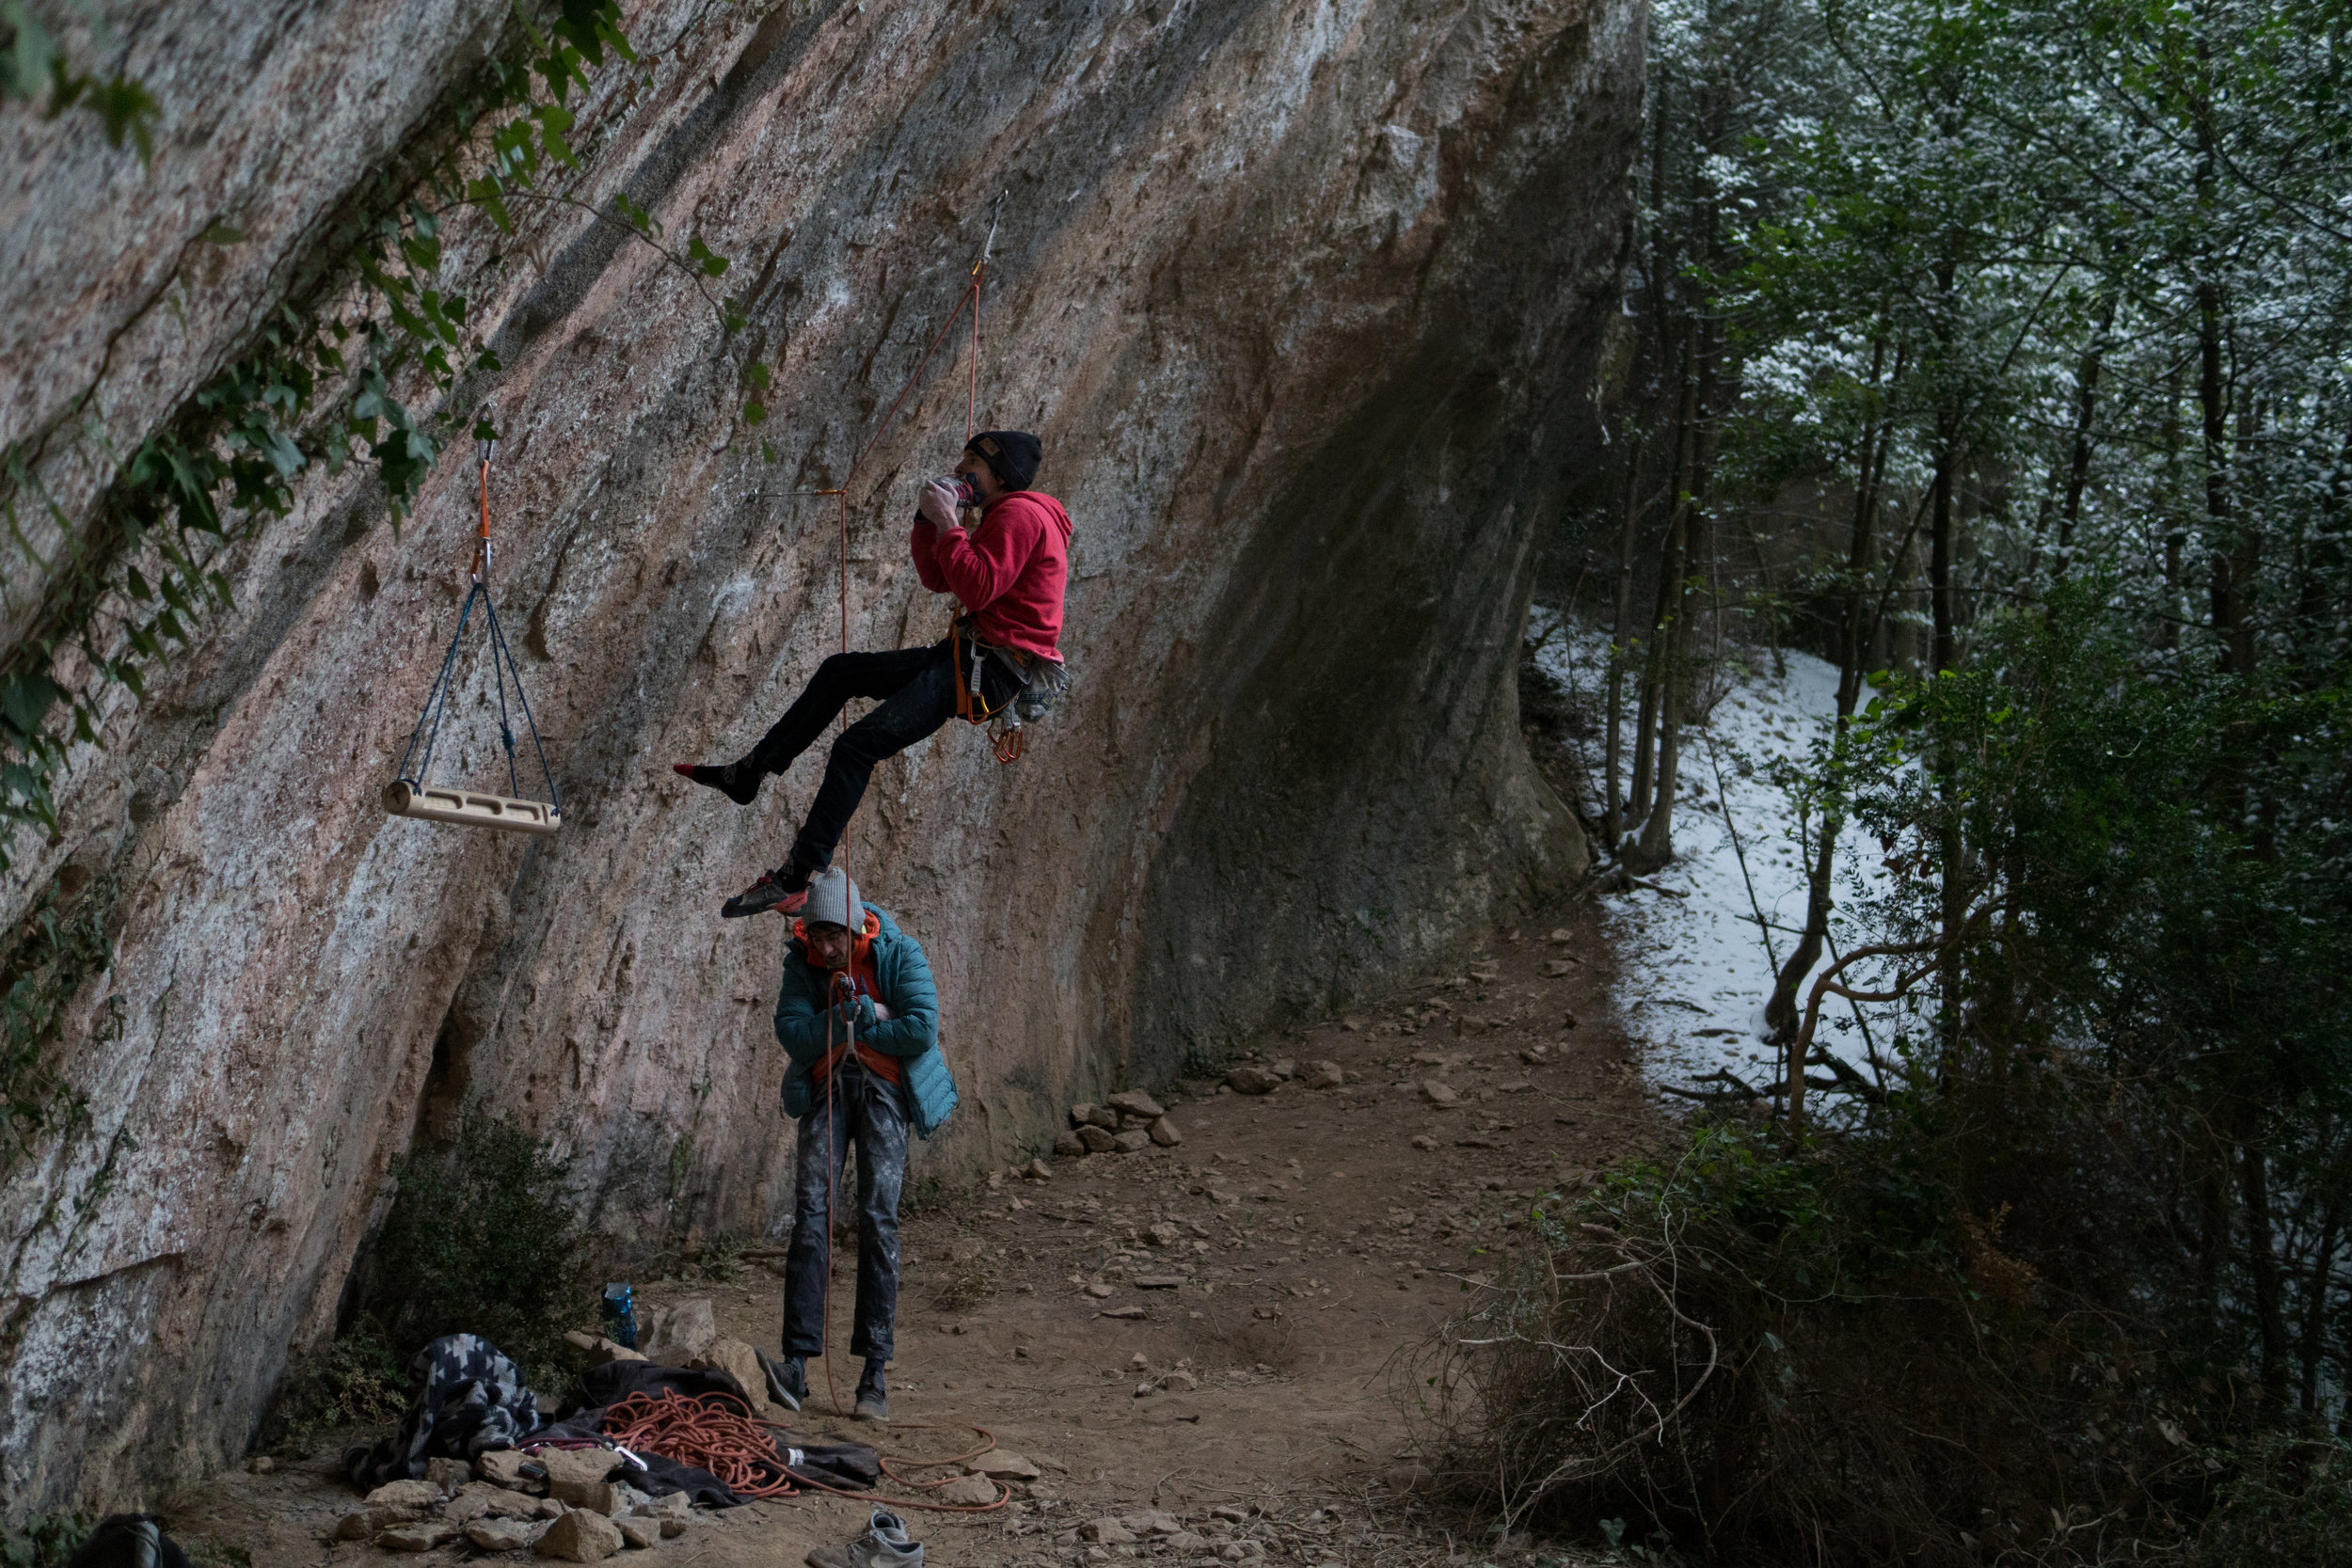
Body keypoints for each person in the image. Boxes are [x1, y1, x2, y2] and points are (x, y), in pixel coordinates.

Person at [675, 430, 1072, 919]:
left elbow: (977, 589)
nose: (961, 465)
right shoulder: (1005, 514)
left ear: (1001, 474)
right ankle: (750, 772)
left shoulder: (1020, 515)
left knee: (857, 746)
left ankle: (796, 878)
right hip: (968, 656)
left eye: (973, 461)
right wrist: (928, 522)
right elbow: (938, 578)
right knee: (843, 672)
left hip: (988, 670)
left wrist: (949, 519)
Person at [755, 868, 958, 1423]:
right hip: (827, 1088)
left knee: (877, 1217)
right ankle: (796, 1363)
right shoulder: (803, 964)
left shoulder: (899, 952)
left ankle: (874, 1374)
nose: (825, 948)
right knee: (811, 1216)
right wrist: (834, 1014)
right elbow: (792, 1033)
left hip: (884, 1090)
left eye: (834, 938)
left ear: (854, 927)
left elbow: (921, 1029)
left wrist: (865, 1020)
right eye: (816, 937)